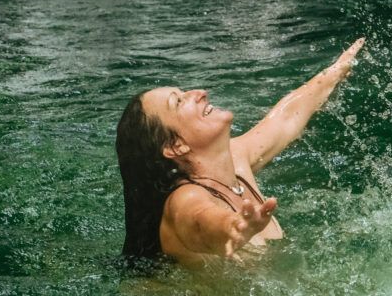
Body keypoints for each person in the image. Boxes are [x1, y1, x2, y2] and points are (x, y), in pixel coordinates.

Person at [116, 38, 365, 267]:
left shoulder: (236, 157)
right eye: (179, 102)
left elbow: (286, 118)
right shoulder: (184, 199)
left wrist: (335, 72)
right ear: (174, 146)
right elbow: (200, 222)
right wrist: (231, 226)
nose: (199, 93)